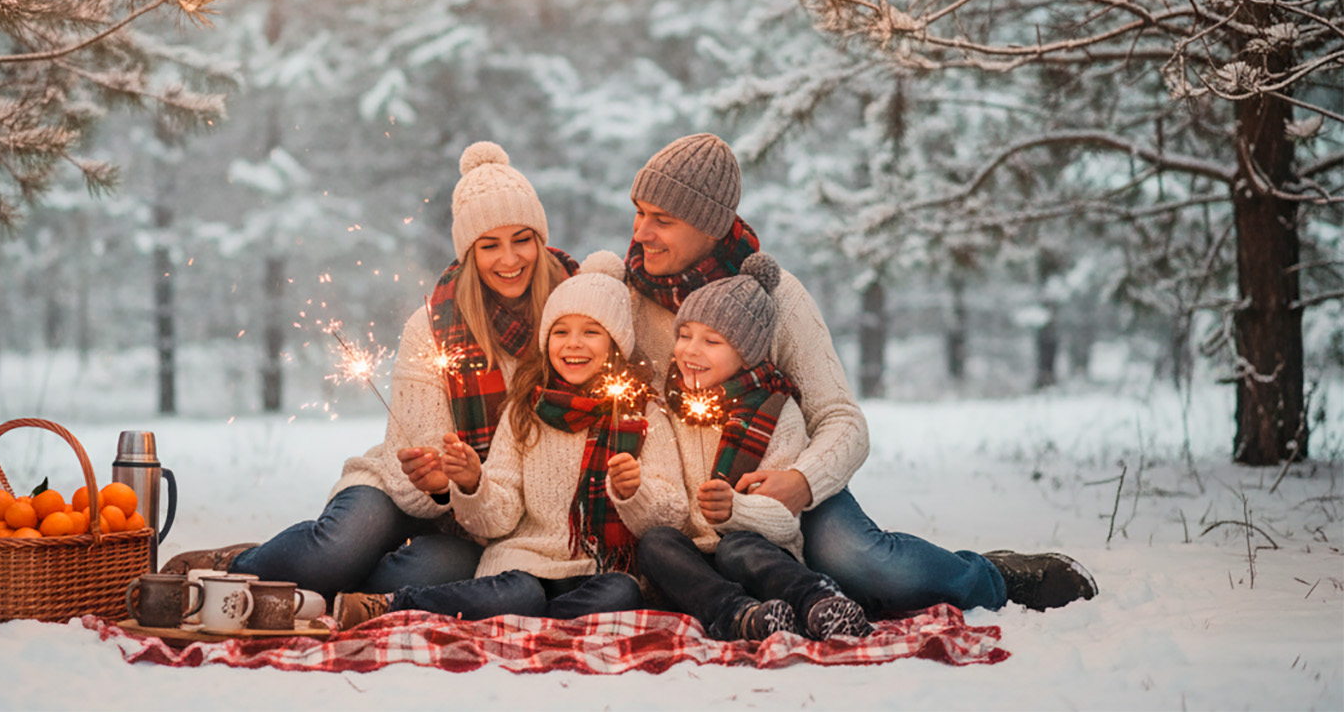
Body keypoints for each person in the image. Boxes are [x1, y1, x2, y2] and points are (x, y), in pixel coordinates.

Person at [623, 133, 1097, 614]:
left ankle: (991, 577)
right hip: (678, 498)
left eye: (663, 220)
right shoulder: (630, 294)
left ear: (711, 226)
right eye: (639, 212)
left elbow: (843, 420)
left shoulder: (775, 297)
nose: (641, 233)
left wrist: (800, 482)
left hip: (775, 483)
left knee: (865, 565)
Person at [162, 142, 575, 598]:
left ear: (540, 239)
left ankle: (340, 588)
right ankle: (235, 563)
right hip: (404, 491)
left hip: (487, 523)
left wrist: (467, 491)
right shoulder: (435, 326)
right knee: (334, 553)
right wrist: (438, 486)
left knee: (411, 579)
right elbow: (407, 467)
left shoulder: (571, 321)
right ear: (468, 253)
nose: (510, 259)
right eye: (490, 245)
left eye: (522, 239)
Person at [331, 252, 686, 627]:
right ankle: (395, 604)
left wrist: (636, 492)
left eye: (591, 332)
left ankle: (529, 619)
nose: (573, 344)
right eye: (561, 332)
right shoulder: (525, 411)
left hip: (596, 571)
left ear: (616, 342)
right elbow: (498, 518)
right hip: (523, 563)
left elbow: (673, 512)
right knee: (521, 594)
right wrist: (473, 484)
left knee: (622, 593)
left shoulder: (643, 414)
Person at [638, 251, 872, 641]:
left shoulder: (776, 413)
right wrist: (635, 493)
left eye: (712, 340)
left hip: (758, 548)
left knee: (737, 549)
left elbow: (784, 519)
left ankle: (818, 601)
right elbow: (664, 505)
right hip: (695, 558)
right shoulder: (662, 410)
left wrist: (737, 509)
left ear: (746, 354)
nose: (690, 350)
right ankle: (739, 615)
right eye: (684, 335)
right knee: (656, 545)